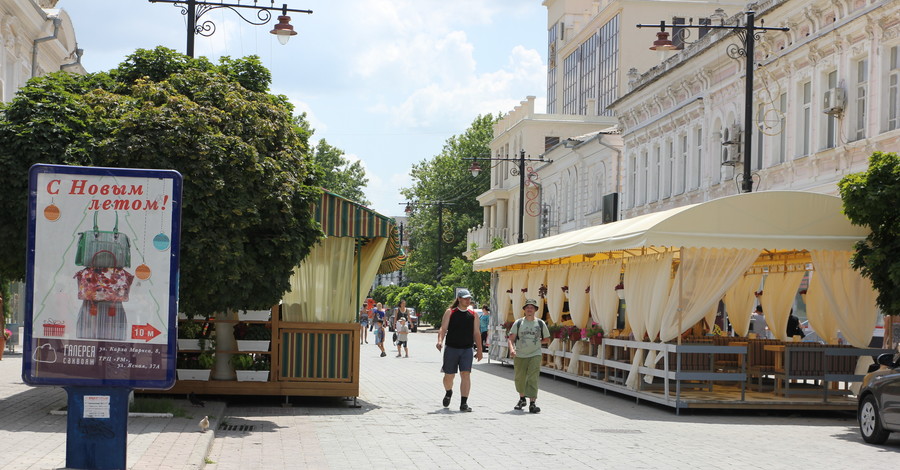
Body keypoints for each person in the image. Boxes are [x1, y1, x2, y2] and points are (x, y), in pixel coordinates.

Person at [436, 288, 482, 412]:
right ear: (459, 299)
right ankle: (449, 391)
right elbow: (443, 328)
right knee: (449, 376)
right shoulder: (450, 312)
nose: (468, 300)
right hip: (452, 348)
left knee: (465, 374)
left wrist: (480, 350)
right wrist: (440, 340)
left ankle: (464, 403)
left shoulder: (473, 314)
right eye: (465, 298)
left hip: (467, 349)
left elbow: (477, 332)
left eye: (469, 298)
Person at [507, 299, 550, 413]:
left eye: (532, 307)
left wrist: (536, 342)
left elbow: (547, 339)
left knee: (533, 377)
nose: (529, 309)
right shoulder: (519, 323)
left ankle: (532, 403)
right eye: (527, 307)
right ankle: (522, 399)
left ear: (535, 310)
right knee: (520, 378)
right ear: (524, 310)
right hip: (520, 354)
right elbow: (511, 339)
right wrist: (512, 350)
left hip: (535, 354)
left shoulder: (540, 323)